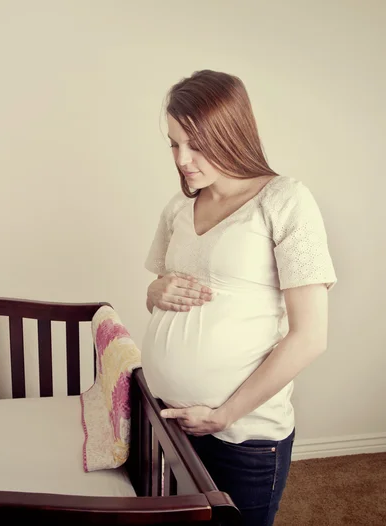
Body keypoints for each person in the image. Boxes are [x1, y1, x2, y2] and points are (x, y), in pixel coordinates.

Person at [141, 70, 337, 526]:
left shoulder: (285, 200)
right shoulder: (178, 207)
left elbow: (310, 336)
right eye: (173, 143)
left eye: (196, 143)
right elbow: (161, 295)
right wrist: (154, 291)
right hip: (172, 425)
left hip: (242, 434)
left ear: (232, 134)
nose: (183, 159)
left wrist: (223, 414)